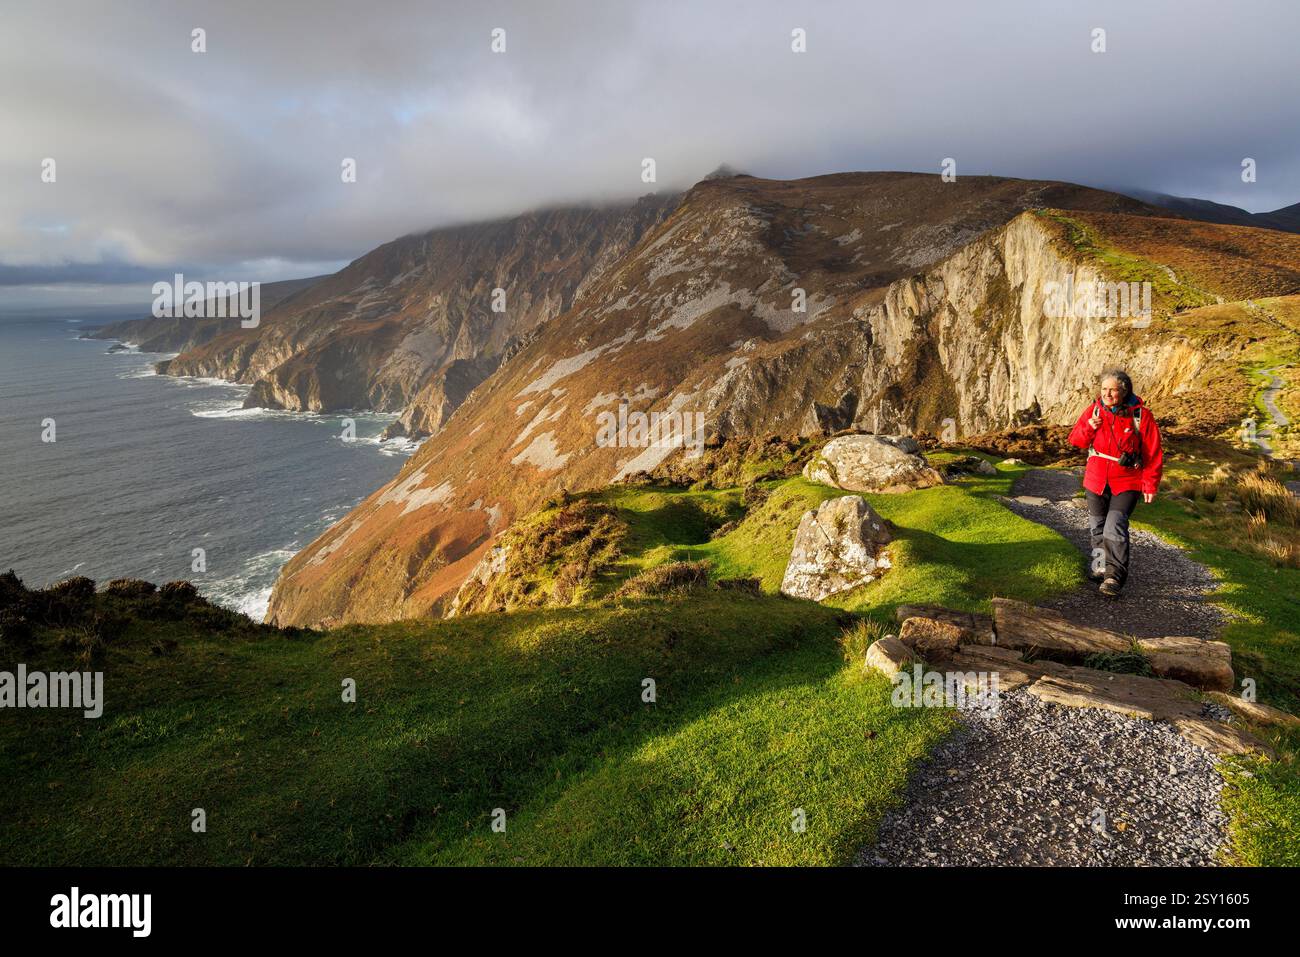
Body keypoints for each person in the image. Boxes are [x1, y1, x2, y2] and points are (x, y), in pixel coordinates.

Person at [1067, 369, 1164, 598]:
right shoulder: (1094, 410)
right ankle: (1099, 567)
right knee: (1097, 527)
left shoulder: (1141, 416)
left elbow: (1153, 452)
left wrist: (1150, 485)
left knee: (1114, 526)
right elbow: (1075, 440)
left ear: (1124, 391)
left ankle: (1114, 576)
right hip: (1096, 479)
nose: (1107, 394)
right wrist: (1089, 426)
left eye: (1113, 390)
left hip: (1128, 480)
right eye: (1104, 389)